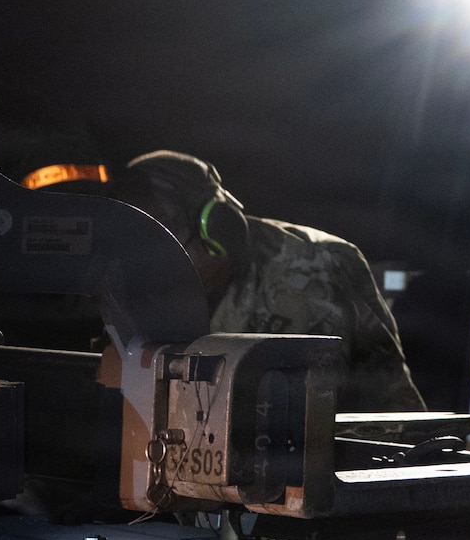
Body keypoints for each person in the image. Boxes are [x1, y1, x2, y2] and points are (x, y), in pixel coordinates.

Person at [108, 150, 424, 413]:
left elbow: (378, 405)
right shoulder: (134, 288)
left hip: (331, 466)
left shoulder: (317, 267)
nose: (160, 272)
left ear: (218, 230)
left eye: (171, 250)